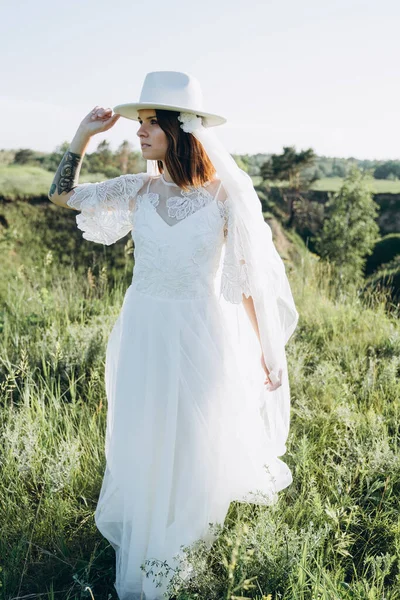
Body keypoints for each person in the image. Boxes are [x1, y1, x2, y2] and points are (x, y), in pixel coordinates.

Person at [48, 71, 299, 600]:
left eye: (149, 124)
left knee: (191, 441)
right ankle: (144, 546)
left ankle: (175, 554)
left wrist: (265, 350)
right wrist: (81, 137)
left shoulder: (224, 198)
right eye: (139, 123)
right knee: (144, 435)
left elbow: (248, 280)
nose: (139, 133)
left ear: (179, 129)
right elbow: (62, 195)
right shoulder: (138, 188)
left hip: (199, 330)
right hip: (144, 327)